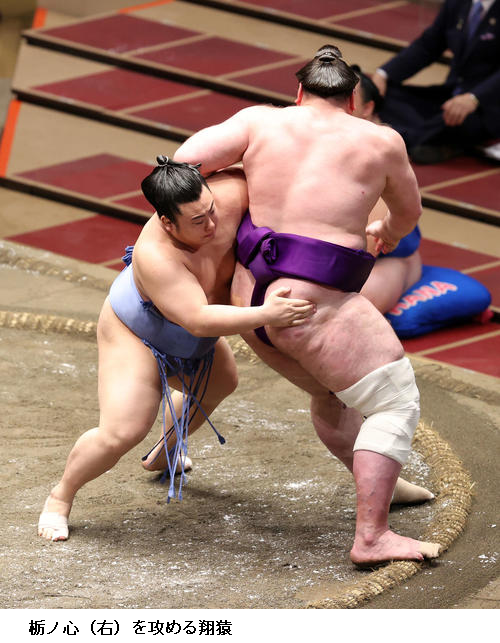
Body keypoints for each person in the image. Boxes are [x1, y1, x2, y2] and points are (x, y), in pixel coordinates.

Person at [174, 45, 442, 566]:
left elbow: (180, 165)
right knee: (394, 401)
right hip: (312, 308)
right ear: (353, 100)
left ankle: (385, 486)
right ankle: (372, 537)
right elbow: (409, 213)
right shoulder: (381, 140)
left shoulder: (258, 122)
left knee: (332, 393)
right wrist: (385, 230)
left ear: (298, 92)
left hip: (250, 302)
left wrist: (223, 214)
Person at [38, 159, 316, 542]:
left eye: (212, 210)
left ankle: (163, 453)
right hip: (138, 333)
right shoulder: (155, 255)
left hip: (193, 328)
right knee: (122, 431)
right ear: (168, 223)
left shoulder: (225, 196)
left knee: (222, 382)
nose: (212, 225)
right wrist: (267, 314)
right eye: (198, 221)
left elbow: (266, 163)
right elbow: (198, 319)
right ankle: (60, 497)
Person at [371, 0, 500, 164]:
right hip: (451, 95)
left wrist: (474, 98)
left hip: (488, 105)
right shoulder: (457, 3)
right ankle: (430, 140)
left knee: (455, 120)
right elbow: (427, 46)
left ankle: (395, 137)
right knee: (380, 93)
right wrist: (383, 74)